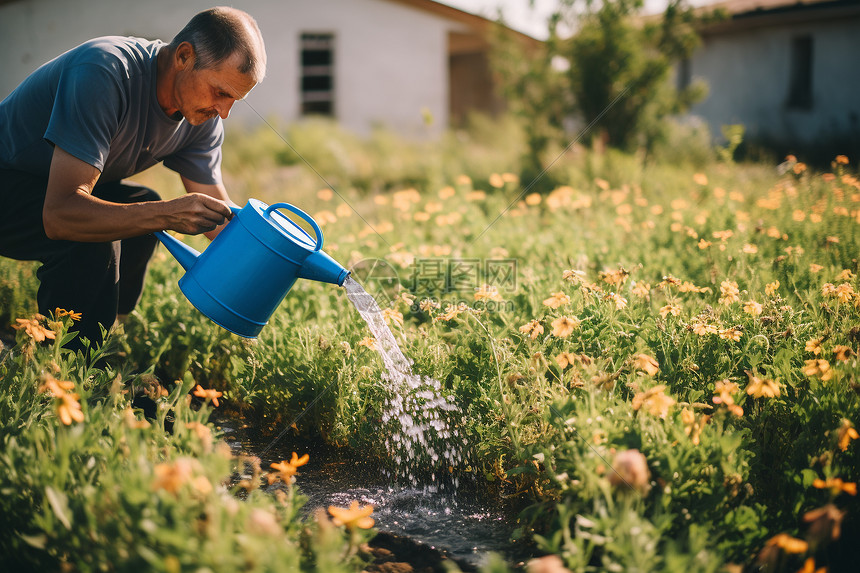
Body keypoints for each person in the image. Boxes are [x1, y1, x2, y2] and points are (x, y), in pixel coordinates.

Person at [0, 6, 266, 349]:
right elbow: (60, 215)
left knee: (144, 212)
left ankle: (102, 342)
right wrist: (167, 213)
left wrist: (280, 252)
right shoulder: (105, 73)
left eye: (236, 100)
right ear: (184, 56)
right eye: (221, 92)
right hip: (9, 180)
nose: (225, 112)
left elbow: (219, 219)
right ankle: (65, 374)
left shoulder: (201, 116)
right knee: (100, 235)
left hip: (55, 189)